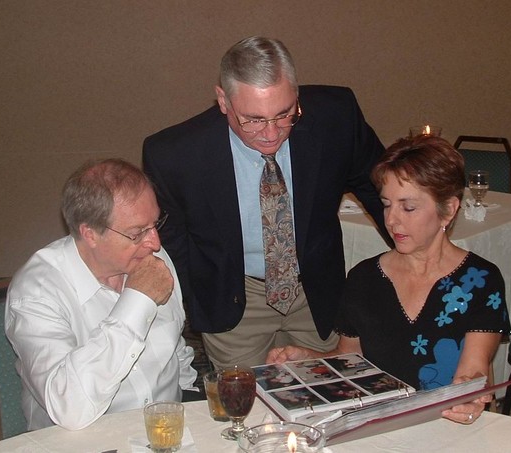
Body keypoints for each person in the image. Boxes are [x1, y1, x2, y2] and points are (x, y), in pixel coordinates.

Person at [142, 36, 389, 369]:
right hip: (236, 299)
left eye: (285, 114)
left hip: (314, 291)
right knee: (247, 398)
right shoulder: (175, 154)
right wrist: (194, 305)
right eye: (254, 119)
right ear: (223, 100)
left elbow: (380, 188)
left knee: (329, 388)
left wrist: (416, 258)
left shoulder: (336, 116)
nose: (272, 133)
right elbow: (172, 245)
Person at [267, 135, 511, 425]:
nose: (392, 220)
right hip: (378, 426)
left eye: (408, 207)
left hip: (445, 423)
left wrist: (469, 397)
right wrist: (307, 361)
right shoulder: (365, 278)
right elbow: (349, 359)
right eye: (386, 205)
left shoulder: (479, 281)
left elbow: (472, 372)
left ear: (448, 209)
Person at [5, 159, 198, 431]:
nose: (155, 242)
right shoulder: (37, 292)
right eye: (137, 233)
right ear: (90, 234)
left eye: (155, 224)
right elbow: (70, 408)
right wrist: (137, 301)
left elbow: (175, 347)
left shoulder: (151, 257)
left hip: (167, 431)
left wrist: (189, 396)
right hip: (82, 441)